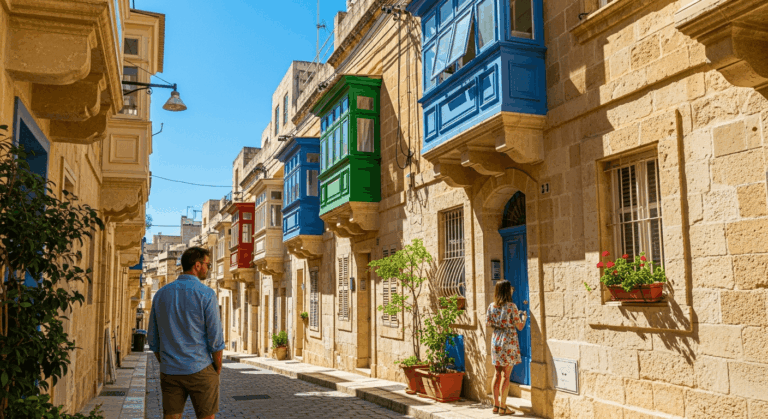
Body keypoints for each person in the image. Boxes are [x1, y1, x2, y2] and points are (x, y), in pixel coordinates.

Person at [148, 247, 225, 419]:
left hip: (170, 370)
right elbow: (215, 337)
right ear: (197, 265)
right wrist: (217, 367)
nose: (208, 268)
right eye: (208, 265)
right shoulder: (206, 294)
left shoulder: (160, 294)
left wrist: (168, 361)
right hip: (200, 367)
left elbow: (153, 338)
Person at [486, 280, 527, 415]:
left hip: (496, 340)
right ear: (507, 290)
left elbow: (488, 323)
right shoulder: (511, 306)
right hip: (508, 340)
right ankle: (503, 408)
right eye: (510, 288)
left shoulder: (491, 306)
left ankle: (495, 405)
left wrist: (500, 323)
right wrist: (523, 318)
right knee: (506, 375)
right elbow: (519, 326)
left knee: (497, 373)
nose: (512, 290)